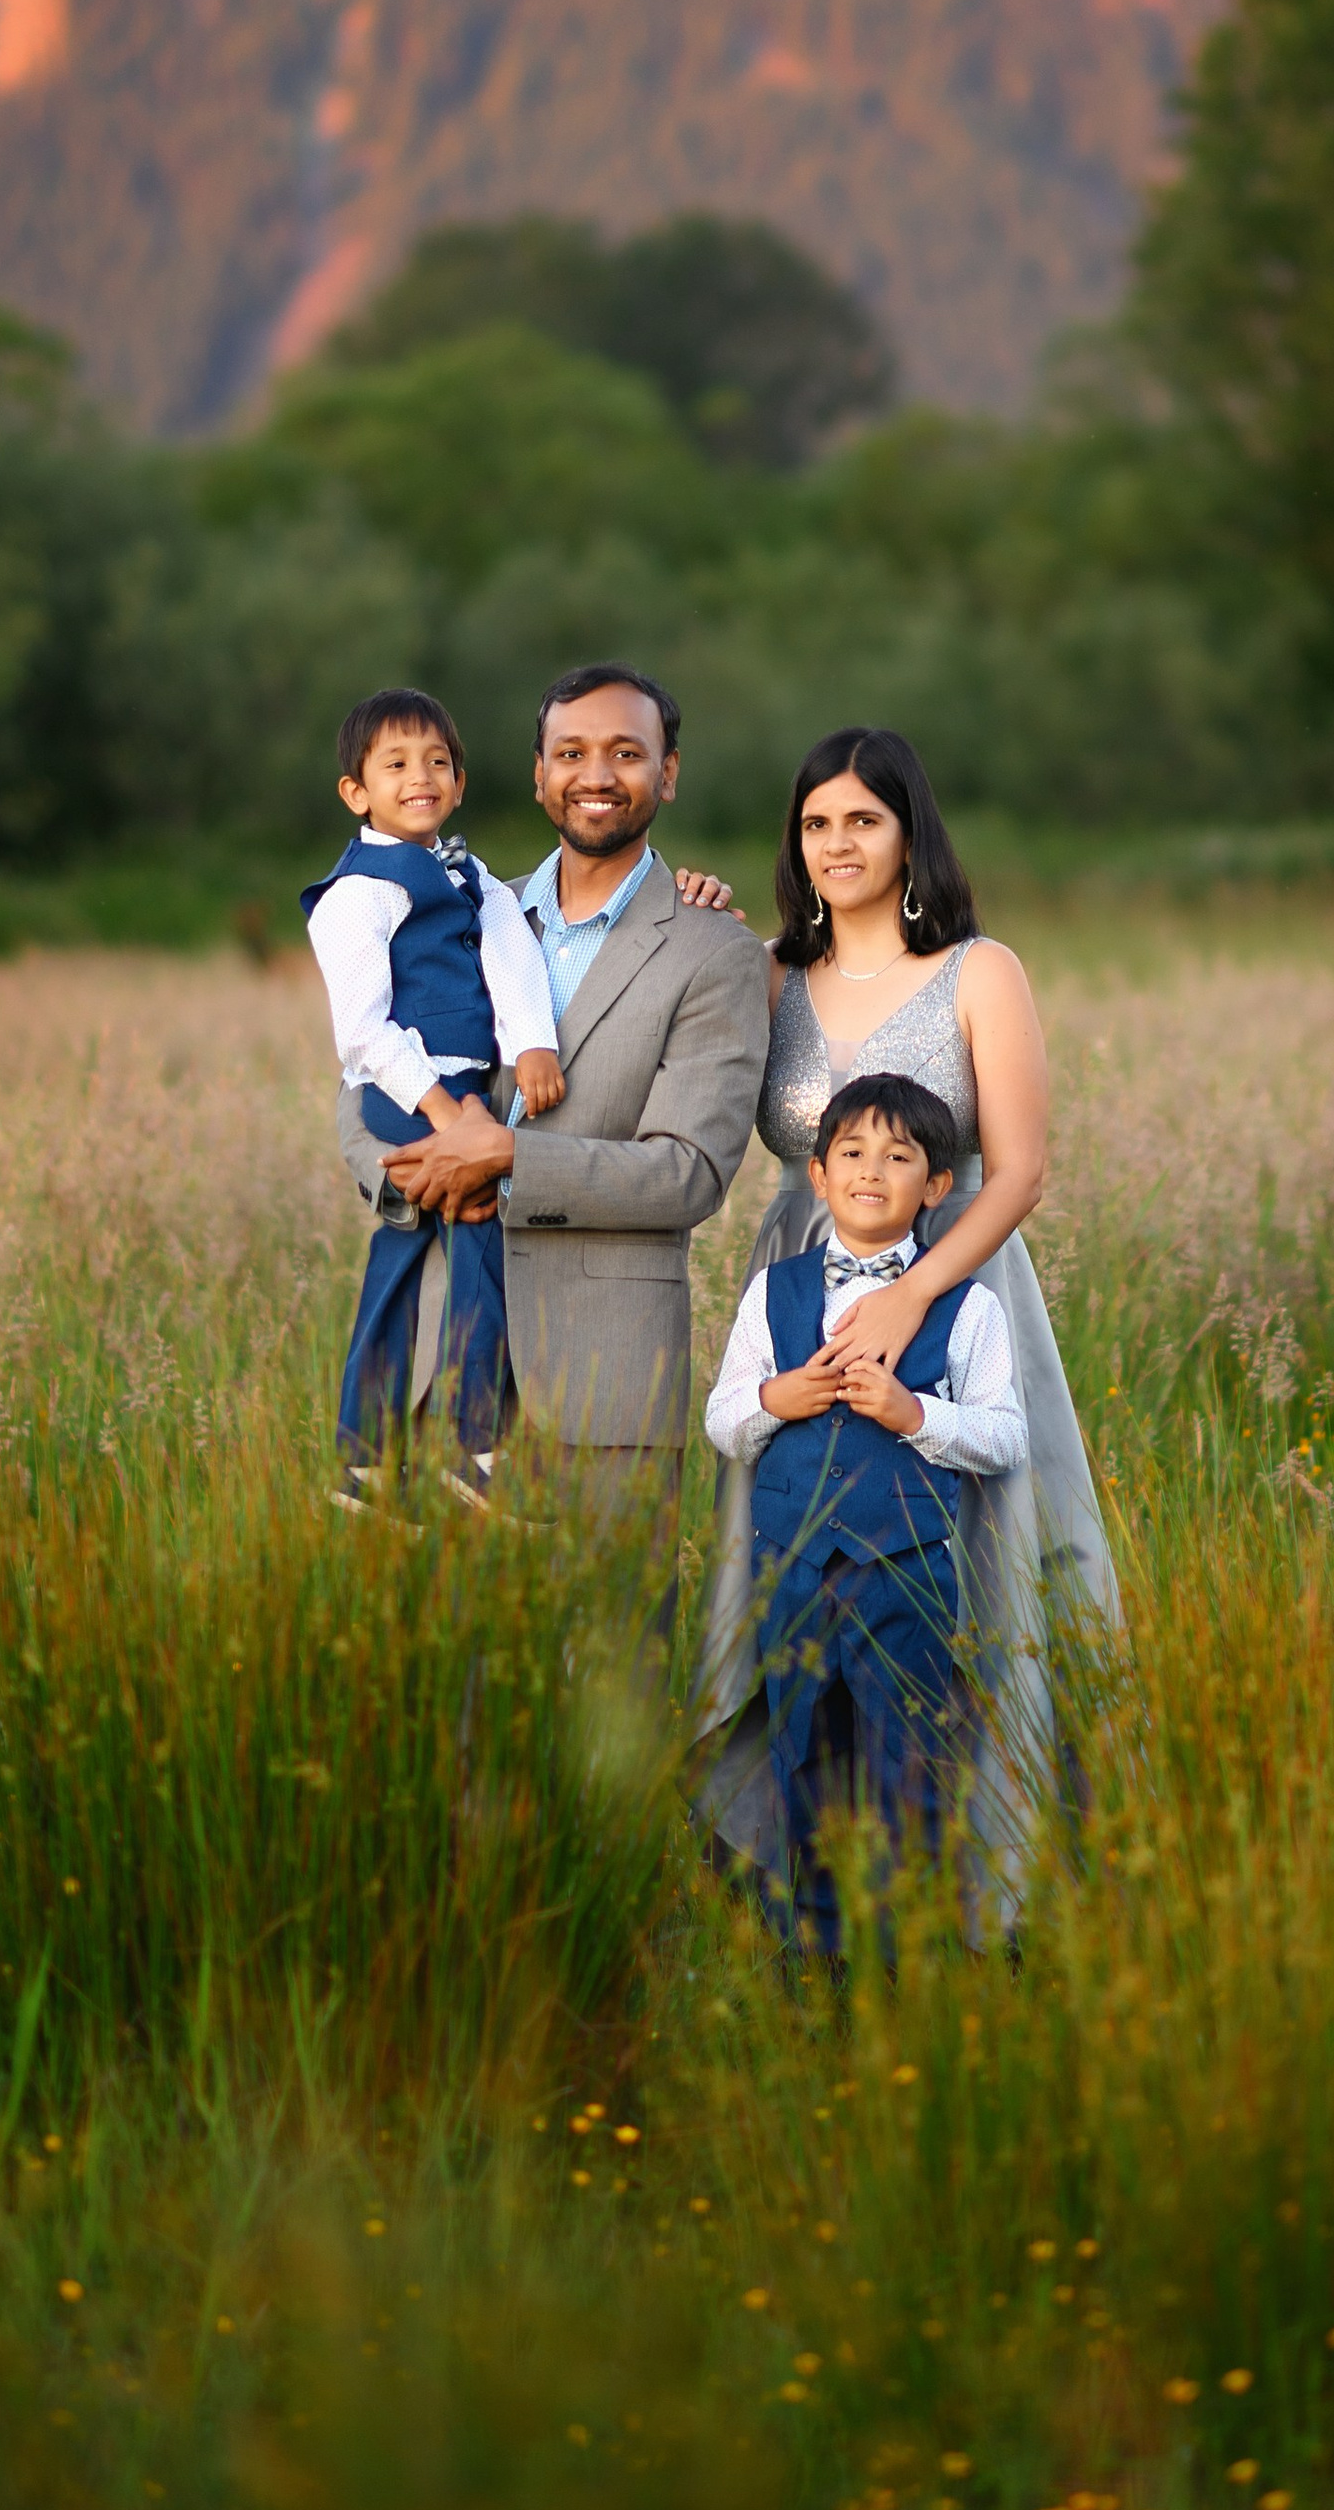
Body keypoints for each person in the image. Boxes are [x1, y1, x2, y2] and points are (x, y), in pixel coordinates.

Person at [693, 726, 1119, 1918]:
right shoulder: (770, 972)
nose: (837, 844)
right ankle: (805, 1877)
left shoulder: (982, 971)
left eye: (862, 821)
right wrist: (682, 909)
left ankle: (996, 1870)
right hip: (798, 1280)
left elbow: (1021, 1168)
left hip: (960, 1276)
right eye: (815, 823)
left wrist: (912, 1292)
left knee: (978, 1557)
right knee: (801, 1557)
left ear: (908, 832)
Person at [344, 663, 771, 1539]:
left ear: (669, 772)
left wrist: (507, 1159)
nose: (597, 774)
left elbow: (687, 1174)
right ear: (537, 773)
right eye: (570, 752)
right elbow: (361, 1080)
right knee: (444, 1669)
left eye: (627, 752)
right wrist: (417, 1176)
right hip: (432, 1373)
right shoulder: (463, 906)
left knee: (612, 1666)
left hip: (600, 1382)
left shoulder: (711, 948)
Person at [705, 1072, 1027, 1957]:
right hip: (794, 1569)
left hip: (907, 1575)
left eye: (898, 1156)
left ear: (935, 1186)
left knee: (912, 1767)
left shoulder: (968, 1307)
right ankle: (815, 1966)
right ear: (816, 1174)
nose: (871, 1170)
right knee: (801, 1760)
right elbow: (724, 1418)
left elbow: (1003, 1436)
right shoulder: (774, 1294)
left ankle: (912, 1966)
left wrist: (912, 1413)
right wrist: (781, 1393)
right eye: (851, 1152)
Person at [303, 688, 563, 1501]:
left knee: (404, 1264)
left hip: (469, 1081)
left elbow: (513, 950)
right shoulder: (357, 894)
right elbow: (363, 1033)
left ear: (458, 782)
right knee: (481, 1233)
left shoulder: (470, 872)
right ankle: (474, 1447)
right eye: (397, 763)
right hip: (404, 1089)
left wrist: (532, 1043)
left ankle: (371, 1461)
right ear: (358, 791)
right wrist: (448, 1114)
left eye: (438, 762)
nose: (421, 776)